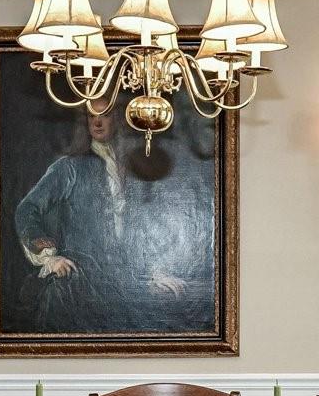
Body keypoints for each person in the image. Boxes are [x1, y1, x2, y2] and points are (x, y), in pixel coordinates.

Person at [12, 103, 213, 334]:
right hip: (77, 282)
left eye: (105, 115)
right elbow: (27, 209)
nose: (97, 122)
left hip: (121, 283)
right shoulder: (70, 167)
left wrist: (155, 271)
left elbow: (143, 227)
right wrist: (50, 258)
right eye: (91, 116)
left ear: (117, 119)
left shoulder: (132, 168)